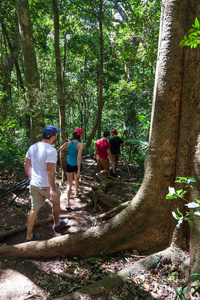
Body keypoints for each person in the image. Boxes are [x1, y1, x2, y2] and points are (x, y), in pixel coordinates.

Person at [24, 125, 68, 242]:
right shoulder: (51, 150)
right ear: (53, 137)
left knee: (34, 210)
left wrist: (30, 176)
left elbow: (26, 164)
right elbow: (50, 170)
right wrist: (53, 189)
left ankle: (29, 236)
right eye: (56, 134)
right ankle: (57, 223)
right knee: (56, 202)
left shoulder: (33, 147)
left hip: (34, 184)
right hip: (46, 185)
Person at [60, 128, 84, 209]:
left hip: (69, 163)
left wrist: (66, 143)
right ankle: (76, 192)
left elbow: (60, 148)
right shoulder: (80, 144)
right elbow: (79, 157)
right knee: (76, 180)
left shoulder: (68, 142)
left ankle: (67, 203)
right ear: (80, 135)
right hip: (77, 165)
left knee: (69, 183)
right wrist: (78, 170)